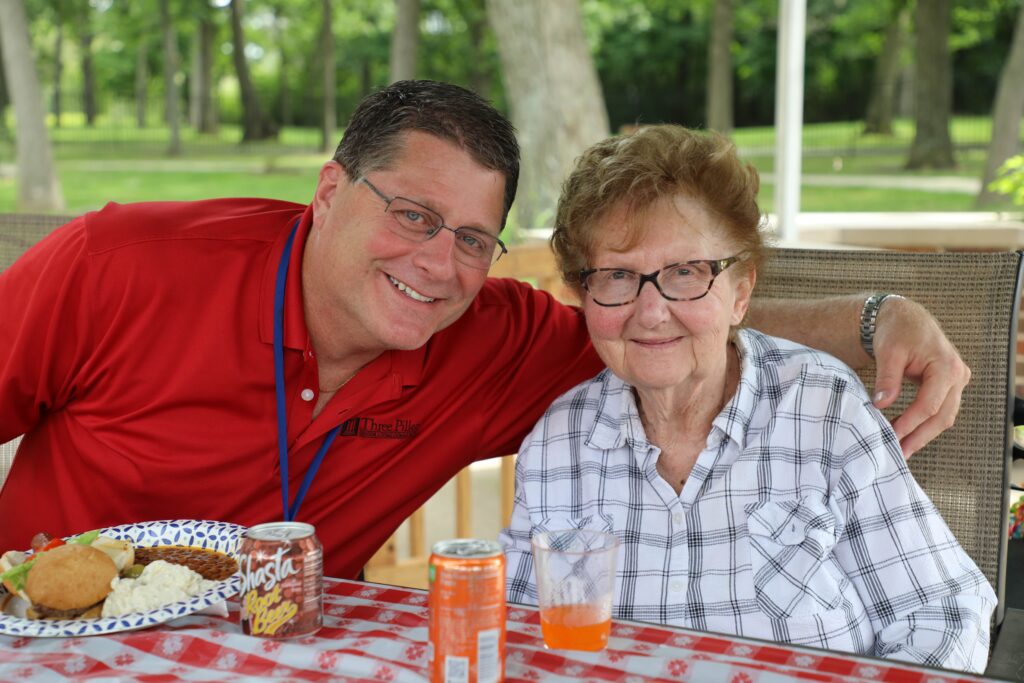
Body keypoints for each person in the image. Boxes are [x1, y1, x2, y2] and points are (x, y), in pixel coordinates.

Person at [0, 81, 969, 581]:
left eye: (472, 237)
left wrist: (876, 315)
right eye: (413, 216)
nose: (438, 265)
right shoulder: (118, 263)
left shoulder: (489, 335)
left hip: (280, 648)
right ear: (329, 191)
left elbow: (662, 312)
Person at [500, 125, 995, 672]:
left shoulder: (823, 411)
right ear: (582, 294)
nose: (651, 310)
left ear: (740, 293)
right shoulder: (560, 442)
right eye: (618, 276)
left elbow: (945, 611)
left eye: (685, 273)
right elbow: (521, 633)